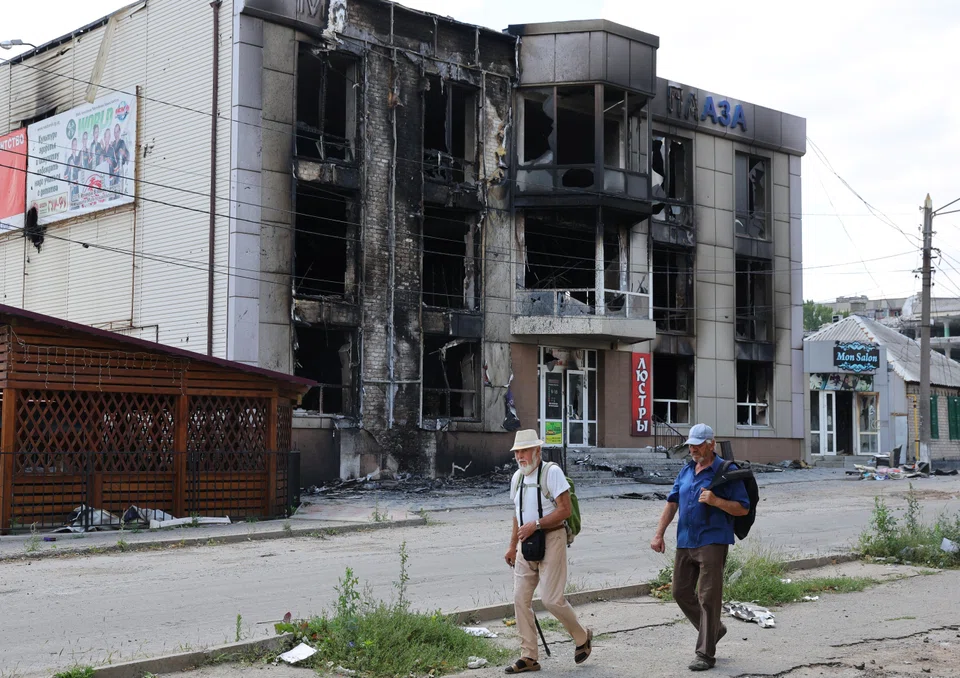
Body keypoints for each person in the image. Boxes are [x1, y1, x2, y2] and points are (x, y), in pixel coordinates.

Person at [650, 423, 750, 672]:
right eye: (690, 445)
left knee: (708, 597)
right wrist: (659, 534)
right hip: (685, 540)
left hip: (712, 541)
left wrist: (716, 501)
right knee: (680, 592)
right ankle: (714, 629)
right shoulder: (686, 470)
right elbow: (672, 503)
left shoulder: (727, 471)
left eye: (697, 444)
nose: (692, 449)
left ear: (711, 444)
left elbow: (743, 507)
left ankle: (705, 654)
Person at [504, 429, 592, 674]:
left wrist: (538, 524)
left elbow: (564, 510)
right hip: (526, 542)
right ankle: (529, 657)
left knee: (551, 599)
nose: (521, 456)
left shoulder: (551, 472)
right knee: (520, 599)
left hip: (552, 537)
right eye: (517, 452)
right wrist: (512, 545)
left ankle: (582, 636)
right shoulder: (517, 478)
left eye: (525, 450)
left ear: (538, 451)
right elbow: (517, 515)